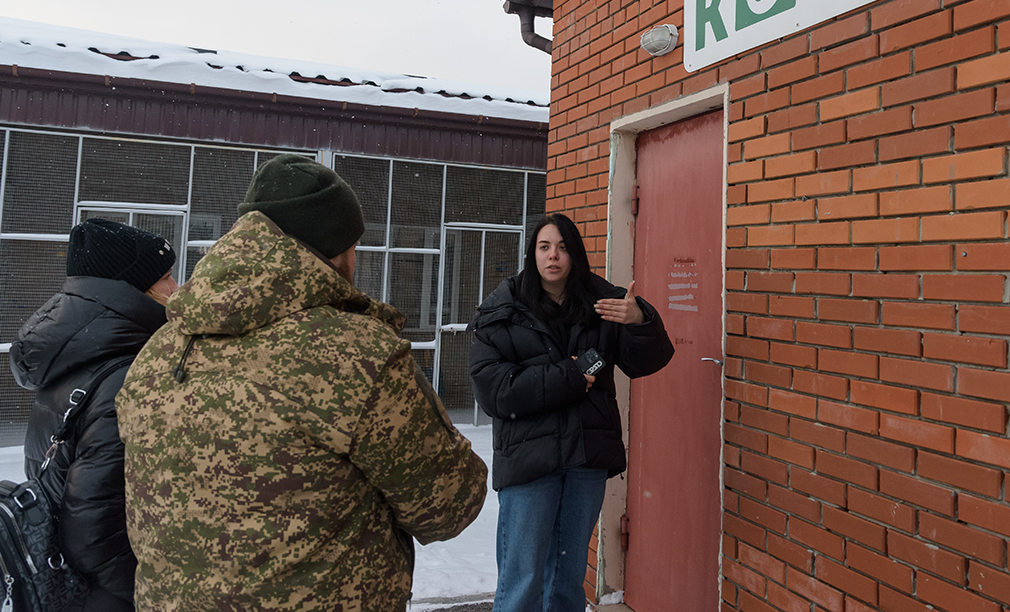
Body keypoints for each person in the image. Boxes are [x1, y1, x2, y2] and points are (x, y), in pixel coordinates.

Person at [115, 154, 487, 612]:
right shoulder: (357, 354)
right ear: (337, 251)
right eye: (354, 244)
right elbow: (449, 504)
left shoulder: (163, 346)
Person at [469, 212, 674, 612]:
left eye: (562, 247)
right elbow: (496, 392)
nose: (553, 256)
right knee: (522, 580)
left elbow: (647, 360)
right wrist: (571, 375)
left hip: (584, 459)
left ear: (575, 254)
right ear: (532, 255)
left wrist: (641, 321)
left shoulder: (603, 303)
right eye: (544, 247)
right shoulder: (503, 309)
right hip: (530, 463)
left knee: (566, 581)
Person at [10, 217, 178, 612]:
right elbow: (94, 529)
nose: (177, 289)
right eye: (168, 277)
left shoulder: (74, 351)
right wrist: (142, 594)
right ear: (131, 290)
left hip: (68, 578)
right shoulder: (123, 374)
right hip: (106, 592)